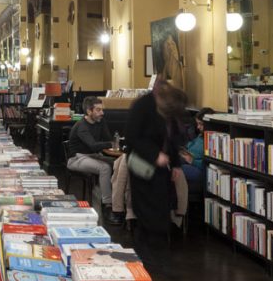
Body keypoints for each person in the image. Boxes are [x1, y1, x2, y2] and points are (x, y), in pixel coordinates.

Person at [125, 79, 188, 263]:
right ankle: (145, 255)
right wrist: (154, 155)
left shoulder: (170, 109)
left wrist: (176, 164)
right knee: (145, 209)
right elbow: (132, 136)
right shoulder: (142, 106)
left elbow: (172, 138)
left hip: (162, 167)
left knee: (161, 207)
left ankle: (157, 255)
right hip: (141, 165)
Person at [67, 97, 122, 225]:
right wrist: (113, 142)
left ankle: (110, 197)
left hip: (94, 156)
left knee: (118, 164)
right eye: (98, 110)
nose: (102, 113)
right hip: (77, 158)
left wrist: (112, 142)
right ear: (89, 111)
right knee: (105, 168)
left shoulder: (100, 122)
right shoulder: (81, 126)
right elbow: (93, 145)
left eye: (102, 109)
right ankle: (107, 206)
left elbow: (107, 139)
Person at [178, 107, 214, 187]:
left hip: (198, 168)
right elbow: (192, 145)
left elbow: (208, 164)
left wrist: (192, 161)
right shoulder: (201, 136)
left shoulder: (211, 141)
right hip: (188, 160)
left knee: (177, 169)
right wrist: (184, 150)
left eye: (201, 124)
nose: (198, 127)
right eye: (197, 124)